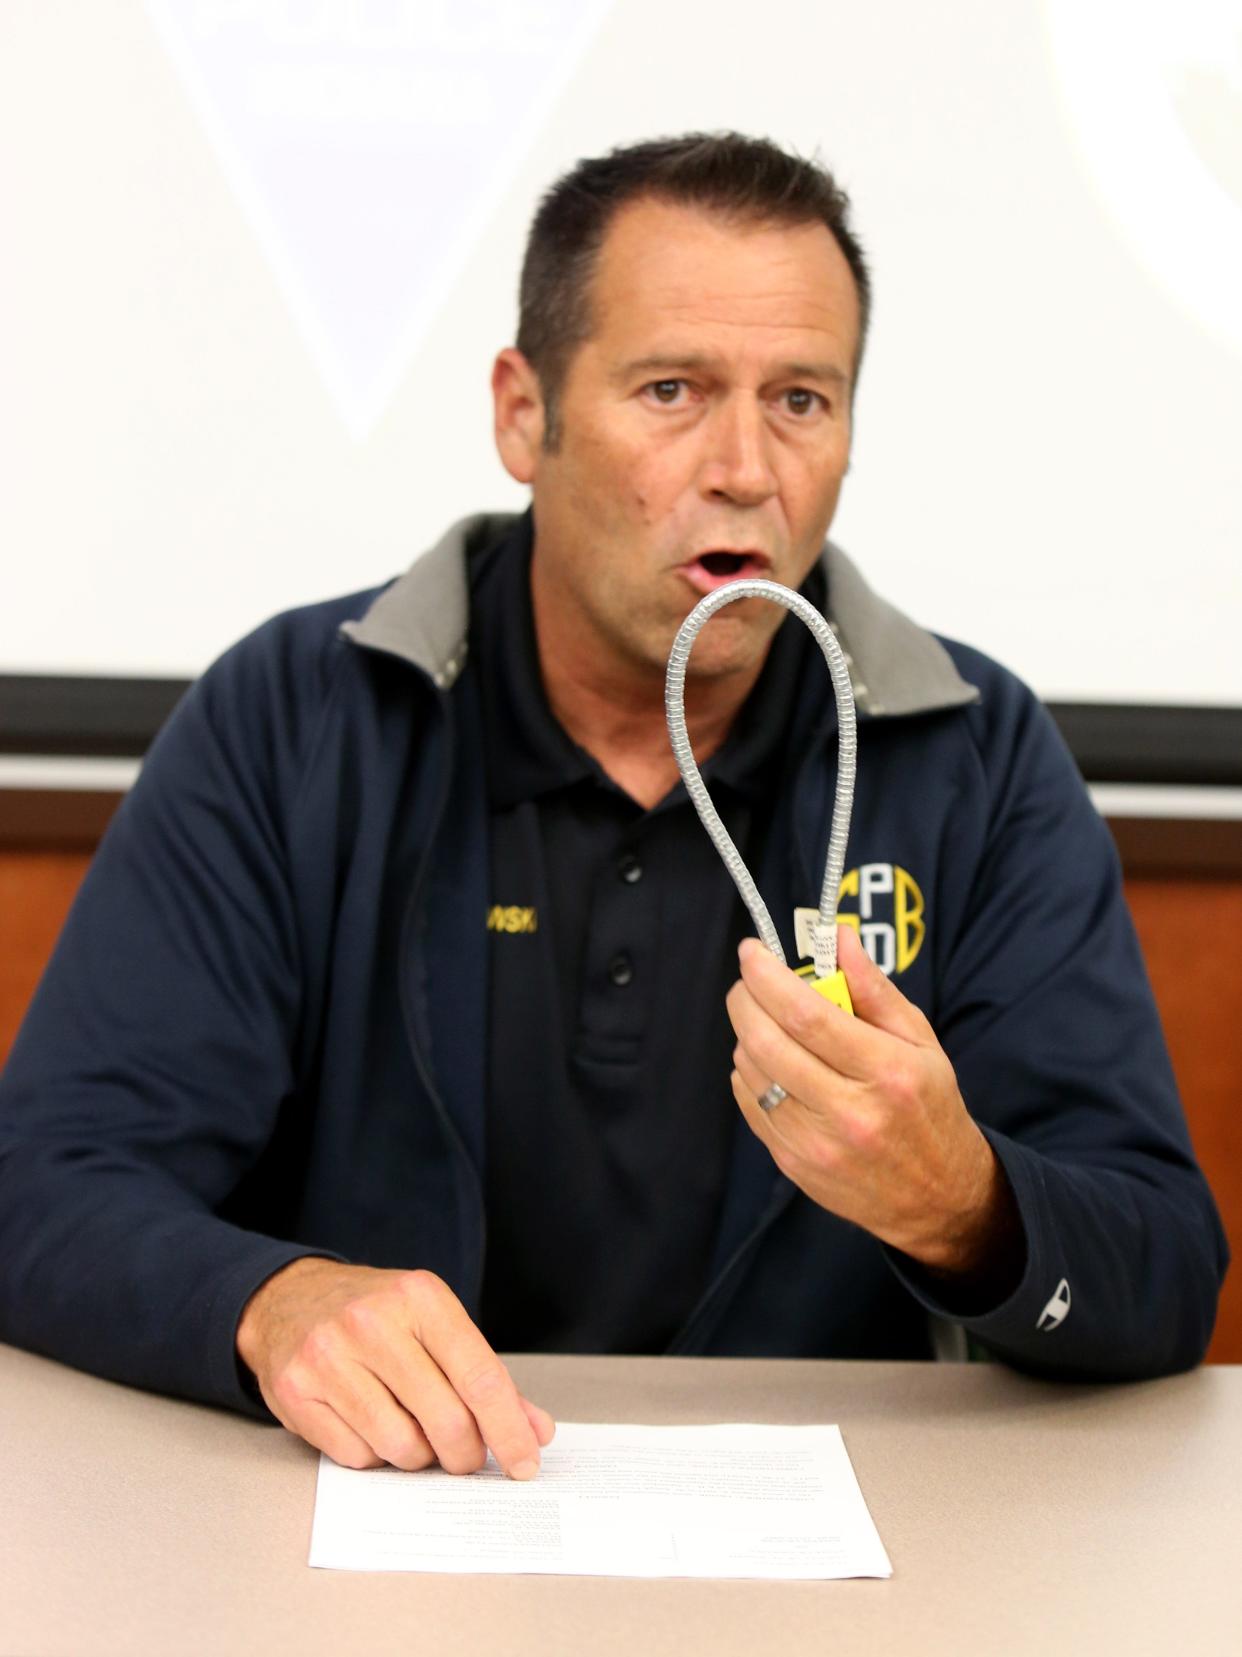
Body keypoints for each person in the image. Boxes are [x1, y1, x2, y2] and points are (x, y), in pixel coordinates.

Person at [0, 134, 1227, 1483]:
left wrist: (965, 1202)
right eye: (671, 389)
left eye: (802, 400)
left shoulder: (968, 756)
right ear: (523, 414)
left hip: (838, 1565)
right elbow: (42, 1183)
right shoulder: (300, 721)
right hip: (378, 1528)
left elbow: (1161, 1272)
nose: (746, 467)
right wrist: (267, 1300)